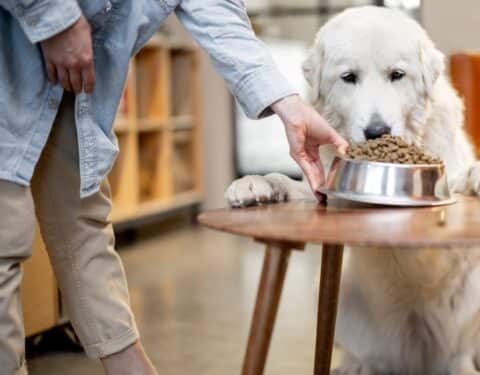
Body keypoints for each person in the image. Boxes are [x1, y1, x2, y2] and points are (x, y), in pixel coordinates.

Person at [0, 1, 347, 374]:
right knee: (5, 231)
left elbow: (215, 8)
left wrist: (287, 105)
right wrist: (55, 20)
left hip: (78, 72)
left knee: (83, 220)